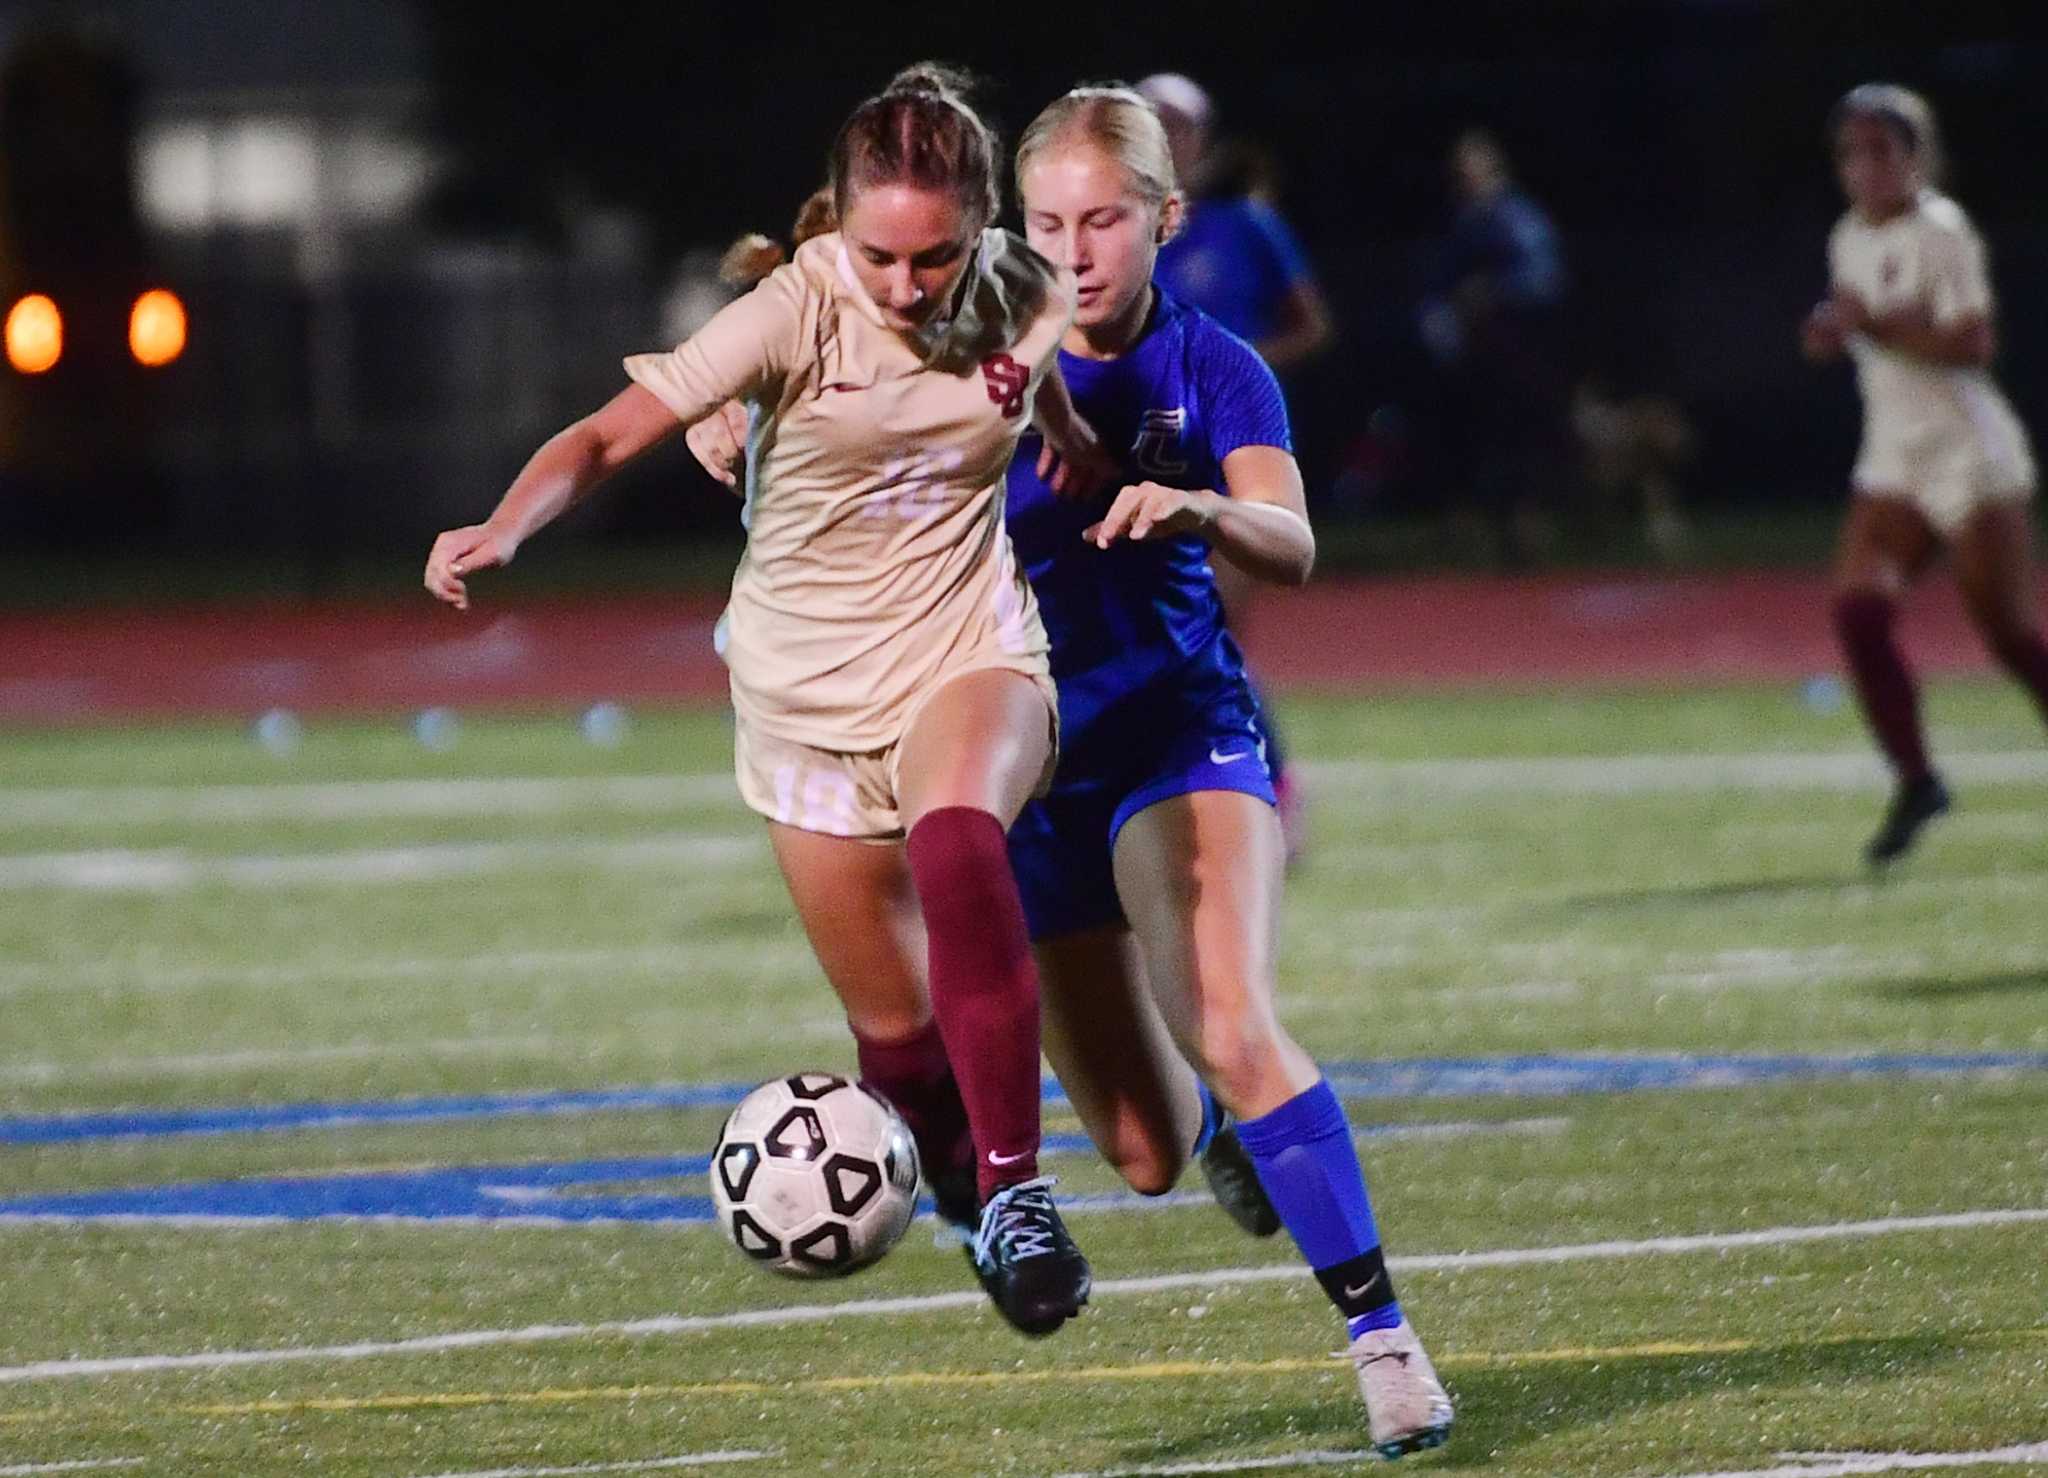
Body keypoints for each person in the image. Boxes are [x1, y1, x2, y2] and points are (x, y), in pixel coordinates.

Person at [693, 83, 1453, 1460]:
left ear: (1166, 220)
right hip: (1017, 776)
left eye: (1106, 219)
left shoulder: (1213, 365)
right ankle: (1216, 1123)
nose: (1080, 247)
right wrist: (736, 423)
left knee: (1230, 1011)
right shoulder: (966, 347)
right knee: (1148, 1153)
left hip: (1176, 731)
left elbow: (1289, 540)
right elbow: (809, 400)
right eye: (1049, 222)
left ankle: (1383, 1339)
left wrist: (1205, 500)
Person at [424, 63, 1110, 1337]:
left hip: (969, 650)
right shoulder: (788, 314)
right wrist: (506, 523)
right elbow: (604, 435)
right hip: (799, 700)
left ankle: (1017, 1190)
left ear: (980, 228)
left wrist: (1071, 443)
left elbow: (1038, 370)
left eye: (935, 257)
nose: (908, 287)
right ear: (840, 226)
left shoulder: (1021, 285)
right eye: (882, 256)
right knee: (897, 1046)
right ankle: (963, 1198)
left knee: (961, 838)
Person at [1801, 84, 2048, 866]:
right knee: (1858, 613)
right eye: (1852, 151)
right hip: (1894, 456)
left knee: (2009, 637)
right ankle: (1917, 778)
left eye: (1883, 149)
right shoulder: (1846, 238)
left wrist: (1873, 326)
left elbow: (1974, 344)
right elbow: (1859, 324)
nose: (1866, 167)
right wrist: (1831, 335)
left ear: (1918, 156)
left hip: (1967, 454)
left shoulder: (1942, 232)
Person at [1135, 72, 1335, 863]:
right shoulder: (1113, 234)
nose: (1168, 139)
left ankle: (1274, 788)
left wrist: (1234, 368)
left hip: (1229, 462)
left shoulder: (1244, 227)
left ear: (1205, 140)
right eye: (1152, 124)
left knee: (1205, 631)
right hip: (1134, 464)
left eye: (1181, 126)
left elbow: (1311, 325)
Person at [1418, 127, 1571, 567]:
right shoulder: (1465, 220)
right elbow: (1440, 288)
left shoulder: (1513, 217)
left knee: (1517, 439)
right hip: (1475, 354)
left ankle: (1525, 535)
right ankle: (1472, 535)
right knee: (1471, 441)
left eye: (1471, 166)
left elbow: (1545, 277)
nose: (1463, 176)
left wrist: (1492, 291)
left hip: (1516, 348)